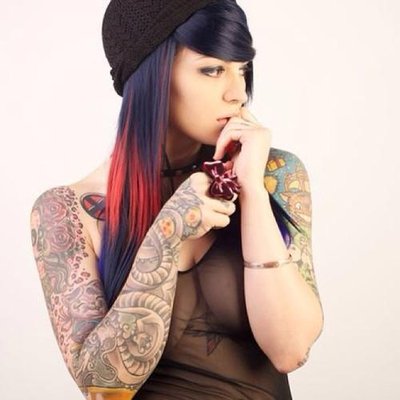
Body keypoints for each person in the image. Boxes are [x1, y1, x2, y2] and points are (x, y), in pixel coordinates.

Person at [29, 0, 324, 399]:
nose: (238, 93)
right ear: (153, 75)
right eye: (212, 69)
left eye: (242, 69)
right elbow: (104, 386)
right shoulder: (65, 211)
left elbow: (290, 349)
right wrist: (166, 235)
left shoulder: (275, 175)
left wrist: (252, 190)